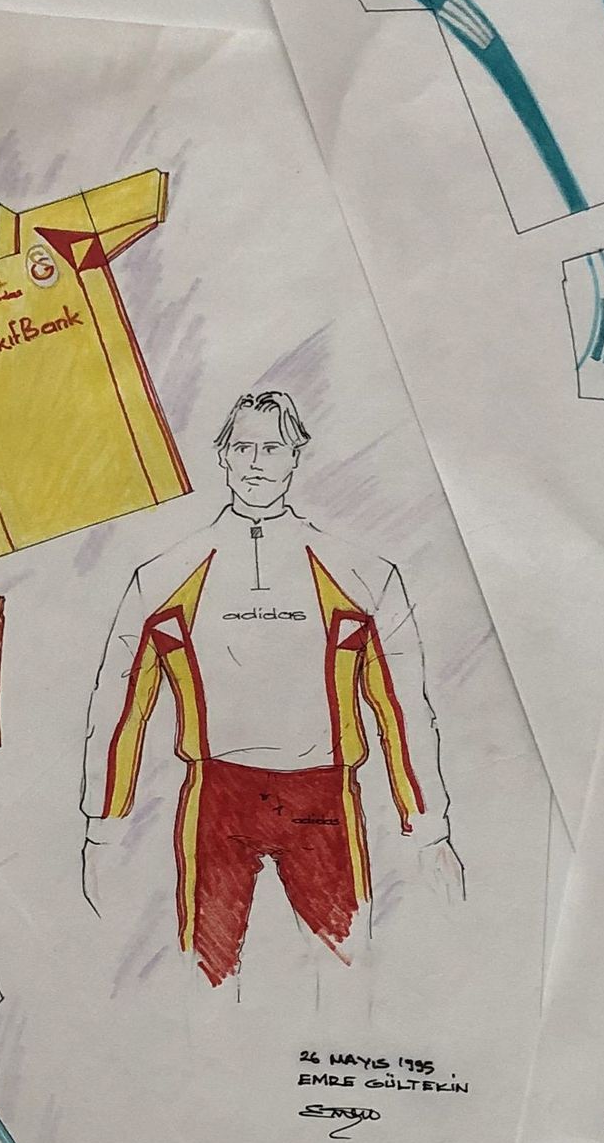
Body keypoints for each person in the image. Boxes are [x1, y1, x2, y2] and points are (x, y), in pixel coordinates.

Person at [81, 390, 461, 985]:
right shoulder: (164, 575)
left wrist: (430, 825)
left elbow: (402, 707)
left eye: (273, 447)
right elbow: (121, 706)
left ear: (296, 457)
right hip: (218, 797)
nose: (257, 462)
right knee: (207, 976)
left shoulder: (361, 573)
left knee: (346, 969)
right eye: (243, 447)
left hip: (322, 800)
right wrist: (102, 826)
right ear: (223, 456)